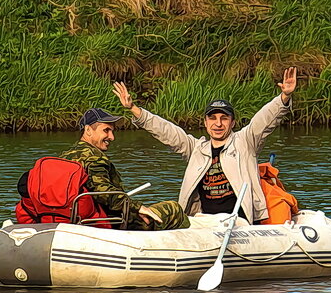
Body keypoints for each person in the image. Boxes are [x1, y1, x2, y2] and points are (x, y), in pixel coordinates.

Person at [112, 67, 297, 224]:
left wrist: (284, 97)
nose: (218, 124)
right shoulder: (196, 148)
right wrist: (133, 109)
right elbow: (166, 131)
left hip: (238, 221)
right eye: (213, 118)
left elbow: (265, 120)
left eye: (224, 118)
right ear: (206, 122)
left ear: (232, 123)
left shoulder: (245, 141)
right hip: (204, 220)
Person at [58, 107, 189, 230]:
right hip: (111, 221)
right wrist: (137, 207)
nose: (112, 137)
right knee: (173, 208)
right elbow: (103, 193)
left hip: (75, 217)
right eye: (106, 130)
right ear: (88, 130)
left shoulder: (64, 156)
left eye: (112, 131)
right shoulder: (94, 158)